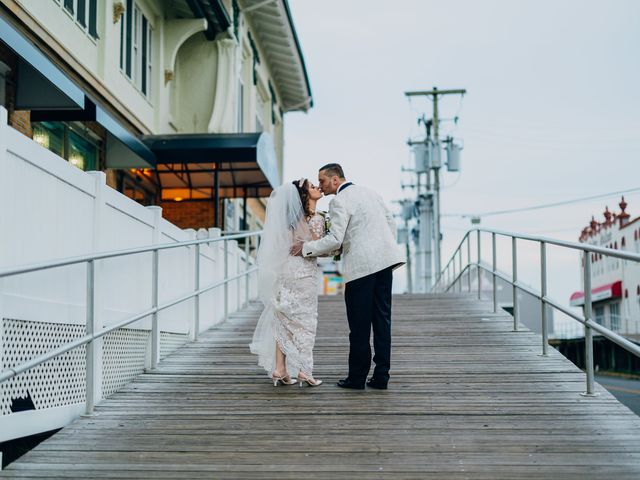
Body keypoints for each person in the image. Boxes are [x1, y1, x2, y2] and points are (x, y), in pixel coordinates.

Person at [301, 164, 405, 390]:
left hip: (361, 268)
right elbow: (391, 225)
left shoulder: (339, 201)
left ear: (336, 180)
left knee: (359, 325)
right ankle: (381, 377)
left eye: (323, 180)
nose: (320, 185)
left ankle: (357, 378)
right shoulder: (372, 193)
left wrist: (305, 248)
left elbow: (336, 239)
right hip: (385, 262)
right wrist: (382, 249)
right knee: (382, 321)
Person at [250, 178, 326, 387]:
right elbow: (315, 246)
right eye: (312, 187)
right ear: (304, 195)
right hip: (304, 272)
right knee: (306, 321)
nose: (318, 188)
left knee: (283, 318)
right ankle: (304, 371)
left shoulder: (288, 219)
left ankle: (280, 369)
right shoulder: (316, 219)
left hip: (286, 269)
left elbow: (284, 245)